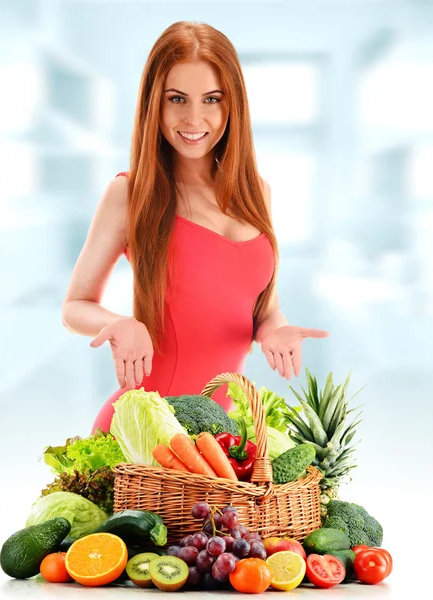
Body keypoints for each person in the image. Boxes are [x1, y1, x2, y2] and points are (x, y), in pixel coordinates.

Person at [62, 21, 329, 434]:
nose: (194, 117)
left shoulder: (257, 192)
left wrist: (275, 330)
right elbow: (74, 306)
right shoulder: (131, 194)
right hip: (144, 433)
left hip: (221, 434)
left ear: (232, 104)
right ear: (155, 103)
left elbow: (262, 308)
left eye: (211, 99)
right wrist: (119, 324)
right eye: (177, 99)